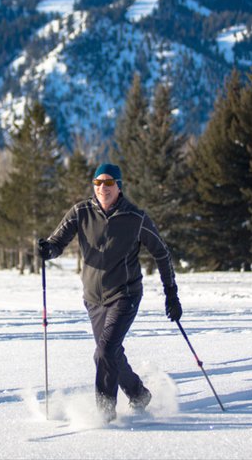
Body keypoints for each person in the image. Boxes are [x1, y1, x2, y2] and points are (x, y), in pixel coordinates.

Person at [37, 162, 182, 421]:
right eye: (98, 182)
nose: (102, 187)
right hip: (93, 299)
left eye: (108, 182)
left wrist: (171, 293)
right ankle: (138, 394)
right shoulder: (80, 212)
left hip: (125, 295)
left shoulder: (136, 218)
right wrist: (48, 250)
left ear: (119, 186)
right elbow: (57, 242)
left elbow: (161, 252)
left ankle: (105, 414)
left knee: (103, 352)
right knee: (111, 352)